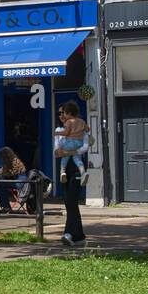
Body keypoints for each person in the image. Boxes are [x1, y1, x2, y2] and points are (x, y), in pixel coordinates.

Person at [55, 101, 89, 247]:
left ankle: (68, 234)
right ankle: (79, 236)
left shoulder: (80, 128)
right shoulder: (58, 130)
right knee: (69, 202)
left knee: (71, 201)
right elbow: (56, 151)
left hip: (75, 167)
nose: (61, 115)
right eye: (59, 113)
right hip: (64, 168)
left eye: (63, 112)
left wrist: (71, 152)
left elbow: (86, 146)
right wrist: (62, 152)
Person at [0, 147, 30, 212]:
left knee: (0, 183)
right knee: (1, 186)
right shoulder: (13, 161)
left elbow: (6, 173)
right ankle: (5, 206)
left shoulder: (13, 162)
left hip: (20, 183)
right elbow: (3, 171)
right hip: (19, 181)